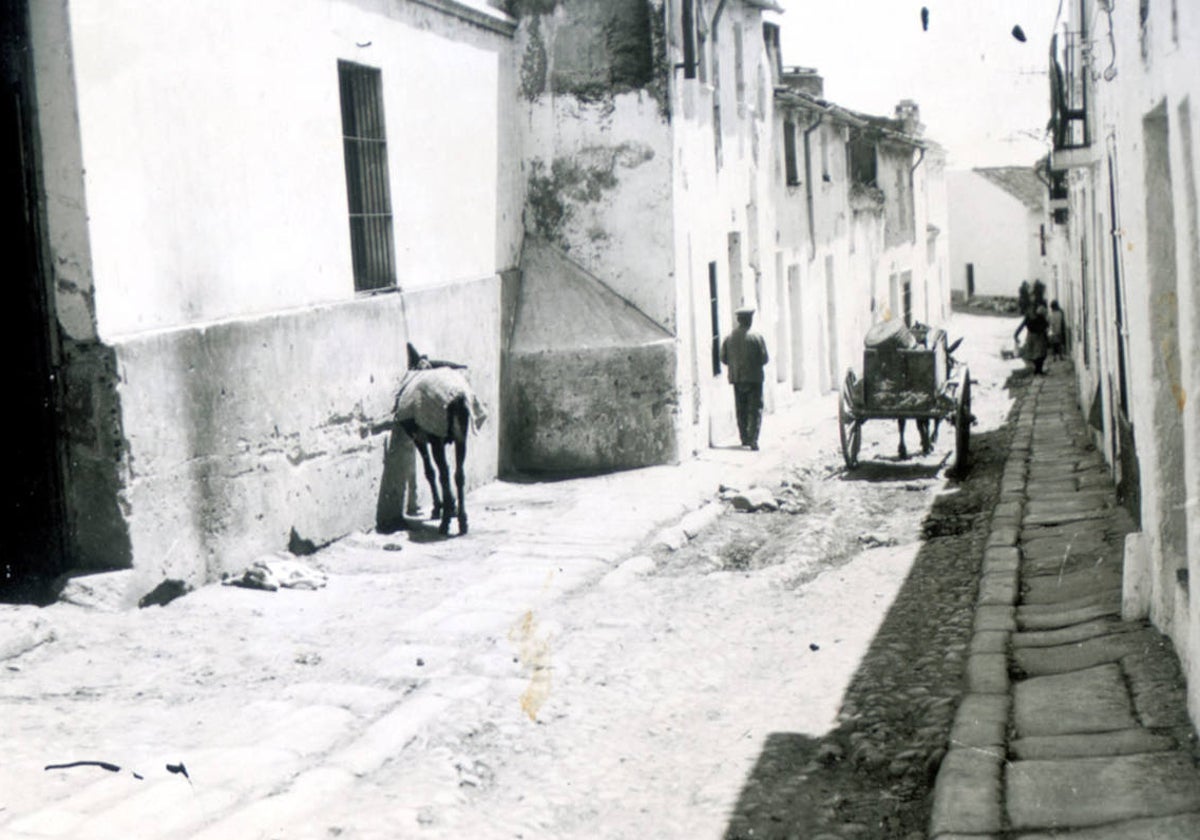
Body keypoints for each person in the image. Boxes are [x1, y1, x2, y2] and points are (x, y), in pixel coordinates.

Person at [720, 304, 769, 450]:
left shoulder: (729, 338)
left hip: (737, 378)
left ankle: (744, 438)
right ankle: (753, 439)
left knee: (741, 408)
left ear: (739, 320)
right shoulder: (757, 337)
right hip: (754, 379)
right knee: (755, 408)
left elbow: (723, 358)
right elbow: (764, 358)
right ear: (749, 320)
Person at [1015, 302, 1050, 375]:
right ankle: (1038, 370)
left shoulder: (1030, 317)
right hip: (1038, 336)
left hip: (1032, 336)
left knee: (1035, 354)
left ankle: (1037, 370)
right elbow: (1045, 326)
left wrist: (1016, 335)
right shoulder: (1039, 317)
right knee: (1040, 354)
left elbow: (1021, 327)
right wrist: (1016, 335)